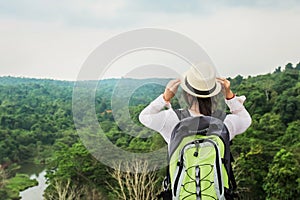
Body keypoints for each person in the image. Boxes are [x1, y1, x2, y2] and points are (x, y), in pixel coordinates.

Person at [139, 65, 252, 144]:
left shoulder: (171, 119)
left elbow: (144, 117)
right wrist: (229, 96)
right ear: (214, 93)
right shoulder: (226, 122)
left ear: (187, 93)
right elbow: (246, 120)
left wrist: (165, 98)